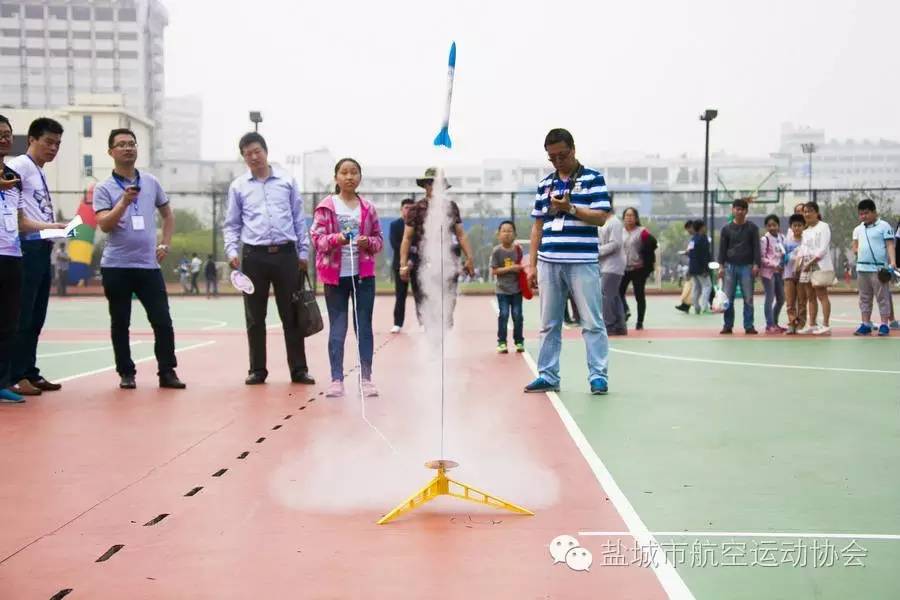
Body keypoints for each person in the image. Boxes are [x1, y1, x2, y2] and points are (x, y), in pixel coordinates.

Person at [94, 128, 185, 390]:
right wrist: (123, 202)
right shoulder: (104, 188)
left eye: (131, 144)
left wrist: (165, 243)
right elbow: (104, 225)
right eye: (121, 144)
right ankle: (126, 372)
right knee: (120, 322)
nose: (127, 148)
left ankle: (167, 372)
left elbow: (168, 215)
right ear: (110, 152)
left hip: (148, 266)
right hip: (116, 266)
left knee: (162, 320)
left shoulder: (152, 182)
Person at [524, 128, 611, 395]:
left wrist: (570, 209)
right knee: (549, 323)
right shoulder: (545, 184)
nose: (558, 161)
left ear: (573, 149)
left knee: (592, 321)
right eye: (552, 157)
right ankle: (548, 374)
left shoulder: (594, 179)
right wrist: (532, 264)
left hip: (582, 261)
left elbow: (600, 217)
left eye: (562, 155)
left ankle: (598, 376)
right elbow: (537, 226)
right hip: (549, 261)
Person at [223, 132, 314, 386]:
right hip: (254, 257)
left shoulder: (286, 181)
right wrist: (232, 251)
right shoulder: (238, 186)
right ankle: (257, 370)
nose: (253, 157)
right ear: (243, 157)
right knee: (255, 316)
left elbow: (298, 219)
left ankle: (299, 369)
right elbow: (231, 224)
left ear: (266, 151)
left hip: (286, 255)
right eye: (247, 153)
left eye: (256, 151)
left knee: (292, 315)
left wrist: (303, 252)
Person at [310, 158, 383, 398]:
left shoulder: (368, 208)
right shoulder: (326, 207)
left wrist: (367, 242)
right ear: (336, 178)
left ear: (360, 177)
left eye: (354, 172)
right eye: (344, 172)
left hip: (363, 276)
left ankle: (367, 378)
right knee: (338, 329)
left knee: (364, 328)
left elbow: (378, 241)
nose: (349, 177)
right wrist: (337, 239)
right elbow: (317, 240)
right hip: (335, 278)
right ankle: (336, 379)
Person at [6, 117, 67, 397]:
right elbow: (16, 214)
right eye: (48, 142)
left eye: (57, 143)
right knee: (24, 314)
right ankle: (17, 375)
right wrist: (48, 227)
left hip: (42, 247)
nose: (53, 148)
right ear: (31, 139)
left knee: (37, 315)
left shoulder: (37, 170)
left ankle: (29, 371)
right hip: (26, 247)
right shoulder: (19, 166)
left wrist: (56, 229)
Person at [0, 115, 50, 402]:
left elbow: (22, 222)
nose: (5, 138)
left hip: (13, 254)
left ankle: (5, 380)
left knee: (9, 322)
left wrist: (54, 228)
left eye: (7, 134)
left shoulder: (13, 177)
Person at [398, 167, 475, 329]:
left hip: (448, 261)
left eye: (437, 183)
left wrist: (469, 258)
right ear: (425, 186)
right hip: (422, 263)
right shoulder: (416, 209)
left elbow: (461, 234)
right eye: (430, 183)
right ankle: (429, 339)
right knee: (425, 302)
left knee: (448, 301)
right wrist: (403, 264)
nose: (434, 187)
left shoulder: (451, 207)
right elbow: (407, 238)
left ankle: (445, 338)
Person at [851, 199, 895, 336]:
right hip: (862, 269)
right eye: (861, 214)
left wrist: (892, 262)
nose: (863, 216)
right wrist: (858, 252)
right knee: (864, 297)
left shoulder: (884, 226)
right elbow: (854, 246)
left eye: (866, 213)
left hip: (879, 269)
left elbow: (890, 245)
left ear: (874, 212)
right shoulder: (858, 229)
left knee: (883, 297)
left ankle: (884, 324)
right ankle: (865, 324)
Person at [717, 199, 760, 335]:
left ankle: (749, 326)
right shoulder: (726, 229)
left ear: (746, 211)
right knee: (728, 298)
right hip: (729, 267)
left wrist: (756, 264)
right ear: (733, 210)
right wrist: (721, 266)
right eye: (737, 209)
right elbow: (722, 249)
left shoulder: (752, 228)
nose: (739, 211)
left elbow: (756, 248)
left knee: (748, 298)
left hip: (747, 267)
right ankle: (727, 325)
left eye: (742, 209)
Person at [798, 201, 833, 336]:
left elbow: (823, 249)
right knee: (810, 296)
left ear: (817, 213)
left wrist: (810, 262)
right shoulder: (806, 231)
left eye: (810, 211)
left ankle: (826, 325)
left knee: (822, 295)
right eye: (805, 211)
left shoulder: (824, 227)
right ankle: (812, 324)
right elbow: (803, 249)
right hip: (807, 266)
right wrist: (799, 263)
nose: (807, 214)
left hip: (819, 264)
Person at [491, 220, 525, 353]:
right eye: (504, 231)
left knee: (518, 315)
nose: (506, 234)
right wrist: (511, 268)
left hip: (517, 290)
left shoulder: (518, 250)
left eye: (510, 231)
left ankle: (519, 341)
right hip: (502, 291)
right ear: (498, 234)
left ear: (515, 234)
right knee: (504, 315)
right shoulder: (497, 251)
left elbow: (523, 266)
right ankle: (502, 342)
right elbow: (494, 271)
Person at [619, 207, 653, 330]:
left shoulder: (642, 231)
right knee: (618, 293)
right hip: (623, 268)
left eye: (632, 215)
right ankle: (624, 311)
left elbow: (652, 245)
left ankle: (640, 322)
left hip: (638, 268)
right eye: (627, 215)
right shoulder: (619, 231)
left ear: (636, 218)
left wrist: (647, 264)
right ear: (623, 218)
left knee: (639, 295)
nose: (629, 218)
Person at [598, 210, 626, 334]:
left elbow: (615, 244)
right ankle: (620, 326)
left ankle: (609, 325)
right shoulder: (604, 222)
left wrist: (598, 251)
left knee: (606, 295)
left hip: (613, 265)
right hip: (606, 264)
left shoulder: (614, 222)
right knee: (614, 295)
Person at [389, 198, 415, 333]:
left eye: (412, 208)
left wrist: (412, 260)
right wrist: (404, 262)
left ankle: (423, 322)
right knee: (400, 295)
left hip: (416, 265)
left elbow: (419, 244)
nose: (409, 210)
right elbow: (395, 245)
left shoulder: (418, 225)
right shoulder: (395, 225)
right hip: (400, 265)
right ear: (401, 209)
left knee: (420, 294)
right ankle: (397, 323)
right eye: (406, 208)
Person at [760, 214, 786, 334]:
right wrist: (774, 264)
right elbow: (762, 258)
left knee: (781, 298)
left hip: (779, 273)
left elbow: (784, 253)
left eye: (774, 225)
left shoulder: (782, 238)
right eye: (769, 225)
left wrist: (783, 264)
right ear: (766, 227)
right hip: (768, 273)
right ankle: (769, 325)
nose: (772, 227)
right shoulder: (765, 239)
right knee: (769, 299)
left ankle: (775, 323)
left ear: (778, 226)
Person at [782, 214, 807, 335]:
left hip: (803, 275)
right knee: (790, 302)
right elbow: (782, 257)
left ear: (804, 226)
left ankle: (801, 324)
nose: (797, 228)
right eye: (795, 226)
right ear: (791, 227)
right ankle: (792, 324)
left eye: (799, 225)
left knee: (802, 301)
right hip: (788, 275)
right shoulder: (786, 241)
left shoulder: (807, 240)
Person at [688, 220, 712, 314]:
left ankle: (696, 307)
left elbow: (691, 254)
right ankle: (705, 307)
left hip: (693, 268)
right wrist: (705, 269)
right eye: (704, 226)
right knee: (707, 286)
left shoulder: (693, 239)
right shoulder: (703, 238)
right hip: (701, 268)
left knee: (697, 287)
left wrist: (690, 269)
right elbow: (704, 255)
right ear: (702, 227)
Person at [675, 219, 695, 313]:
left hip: (697, 266)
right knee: (691, 285)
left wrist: (688, 253)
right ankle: (685, 305)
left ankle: (688, 304)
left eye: (688, 229)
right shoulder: (694, 239)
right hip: (694, 265)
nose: (688, 232)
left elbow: (694, 253)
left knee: (697, 286)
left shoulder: (697, 238)